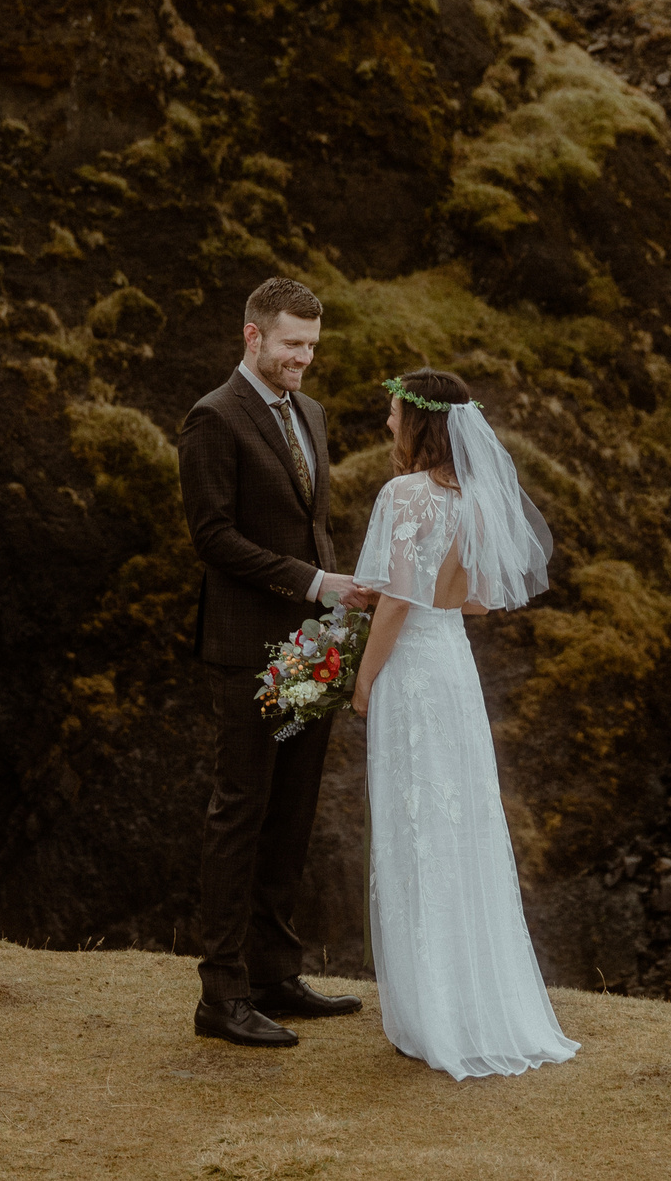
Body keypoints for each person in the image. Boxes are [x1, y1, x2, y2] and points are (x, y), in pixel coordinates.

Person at [350, 365, 579, 1080]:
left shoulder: (404, 495)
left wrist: (363, 677)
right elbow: (478, 599)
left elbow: (393, 602)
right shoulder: (475, 500)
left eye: (393, 413)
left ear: (417, 422)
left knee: (416, 825)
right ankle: (473, 1002)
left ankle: (431, 1011)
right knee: (461, 824)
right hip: (453, 668)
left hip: (412, 672)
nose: (387, 423)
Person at [177, 276, 376, 1047]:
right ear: (254, 336)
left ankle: (273, 972)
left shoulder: (313, 414)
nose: (304, 359)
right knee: (241, 813)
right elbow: (212, 538)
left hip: (309, 647)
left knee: (292, 814)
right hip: (246, 648)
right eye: (293, 344)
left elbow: (311, 523)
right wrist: (317, 582)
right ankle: (220, 995)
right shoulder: (211, 418)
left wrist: (334, 608)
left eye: (313, 347)